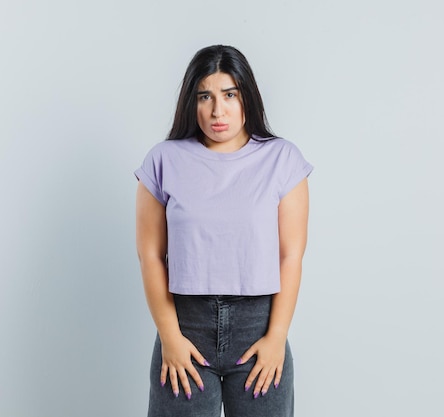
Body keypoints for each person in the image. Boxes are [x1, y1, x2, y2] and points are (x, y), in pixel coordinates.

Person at [134, 45, 313, 417]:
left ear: (247, 95)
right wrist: (170, 336)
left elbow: (290, 255)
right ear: (191, 101)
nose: (218, 110)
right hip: (185, 328)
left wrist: (277, 336)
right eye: (205, 96)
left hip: (259, 329)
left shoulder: (282, 159)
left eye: (229, 94)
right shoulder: (164, 160)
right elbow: (150, 254)